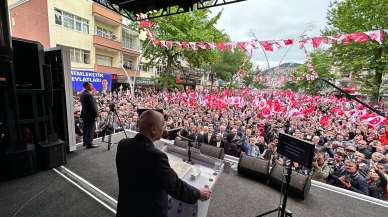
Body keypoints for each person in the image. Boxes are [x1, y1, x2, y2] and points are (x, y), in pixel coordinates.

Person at [116, 110, 211, 217]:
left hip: (125, 208)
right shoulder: (156, 156)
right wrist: (198, 193)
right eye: (162, 126)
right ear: (153, 129)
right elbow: (175, 186)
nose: (164, 129)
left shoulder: (122, 144)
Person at [80, 82, 99, 148]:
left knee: (85, 129)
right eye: (90, 85)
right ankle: (89, 144)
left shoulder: (82, 94)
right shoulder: (89, 95)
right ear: (86, 86)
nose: (92, 86)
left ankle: (85, 142)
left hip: (85, 115)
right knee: (90, 129)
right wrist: (97, 115)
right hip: (90, 116)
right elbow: (92, 106)